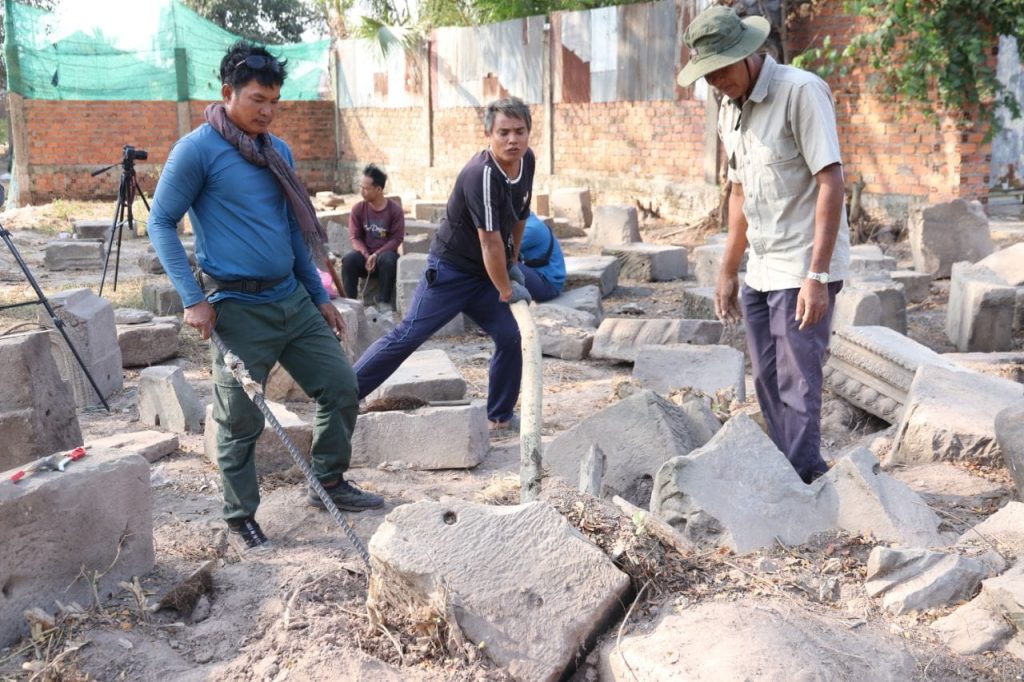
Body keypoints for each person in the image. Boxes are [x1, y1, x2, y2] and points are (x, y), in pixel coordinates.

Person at [148, 41, 383, 551]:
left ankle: (328, 482)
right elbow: (161, 222)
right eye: (257, 99)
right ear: (227, 93)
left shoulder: (278, 152)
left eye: (275, 101)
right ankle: (240, 517)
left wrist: (318, 294)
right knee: (240, 421)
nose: (267, 112)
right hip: (235, 309)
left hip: (291, 300)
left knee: (341, 386)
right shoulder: (196, 151)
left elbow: (292, 230)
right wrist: (192, 298)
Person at [677, 5, 850, 484]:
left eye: (722, 70)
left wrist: (816, 276)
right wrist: (728, 269)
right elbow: (738, 193)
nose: (717, 83)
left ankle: (805, 480)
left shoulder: (801, 91)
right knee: (767, 379)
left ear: (748, 53)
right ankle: (786, 472)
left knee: (798, 381)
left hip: (803, 265)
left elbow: (831, 182)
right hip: (762, 263)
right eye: (708, 76)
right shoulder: (729, 108)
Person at [354, 96, 535, 433]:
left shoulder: (527, 161)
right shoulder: (481, 174)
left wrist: (513, 262)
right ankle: (344, 394)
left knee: (511, 335)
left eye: (519, 131)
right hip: (451, 271)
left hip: (486, 272)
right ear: (489, 135)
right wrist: (507, 289)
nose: (513, 140)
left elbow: (520, 215)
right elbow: (488, 240)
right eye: (504, 132)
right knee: (409, 334)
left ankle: (499, 416)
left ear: (528, 132)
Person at [342, 163, 404, 309]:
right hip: (364, 258)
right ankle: (350, 303)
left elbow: (396, 239)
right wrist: (366, 254)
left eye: (366, 188)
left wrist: (376, 254)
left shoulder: (395, 210)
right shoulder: (358, 209)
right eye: (361, 187)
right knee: (349, 260)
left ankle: (383, 302)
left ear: (379, 189)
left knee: (388, 259)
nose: (362, 192)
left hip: (384, 259)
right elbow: (355, 237)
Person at [518, 211, 565, 302]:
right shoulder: (531, 222)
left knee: (501, 264)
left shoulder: (531, 228)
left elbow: (498, 252)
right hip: (542, 278)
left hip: (548, 285)